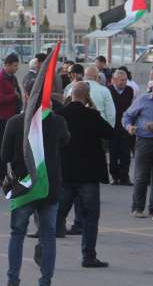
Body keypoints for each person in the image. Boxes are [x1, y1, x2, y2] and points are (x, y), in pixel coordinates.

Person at [2, 78, 70, 286]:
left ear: (26, 96)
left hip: (24, 186)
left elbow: (4, 154)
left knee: (17, 234)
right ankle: (45, 280)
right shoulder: (58, 122)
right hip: (49, 187)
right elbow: (66, 141)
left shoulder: (15, 122)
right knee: (48, 236)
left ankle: (13, 279)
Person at [55, 82, 113, 267]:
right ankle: (88, 256)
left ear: (71, 95)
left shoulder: (60, 116)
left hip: (65, 173)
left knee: (56, 214)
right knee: (90, 217)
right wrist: (94, 108)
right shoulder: (92, 115)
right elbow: (109, 133)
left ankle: (44, 247)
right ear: (87, 96)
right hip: (88, 175)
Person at [122, 76, 153, 218]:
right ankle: (137, 207)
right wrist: (129, 127)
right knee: (142, 176)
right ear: (152, 88)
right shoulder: (143, 100)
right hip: (144, 141)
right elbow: (127, 116)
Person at [0, 53, 22, 185]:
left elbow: (17, 93)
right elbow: (0, 99)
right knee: (2, 147)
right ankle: (2, 175)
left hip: (12, 116)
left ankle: (14, 174)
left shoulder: (12, 78)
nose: (17, 68)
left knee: (14, 146)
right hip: (0, 117)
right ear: (7, 65)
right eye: (15, 66)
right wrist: (14, 96)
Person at [108, 69, 135, 185]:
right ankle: (115, 176)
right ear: (113, 80)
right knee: (113, 152)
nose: (122, 83)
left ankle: (125, 176)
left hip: (125, 125)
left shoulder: (129, 90)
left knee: (125, 152)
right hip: (112, 125)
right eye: (120, 80)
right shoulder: (108, 90)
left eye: (124, 80)